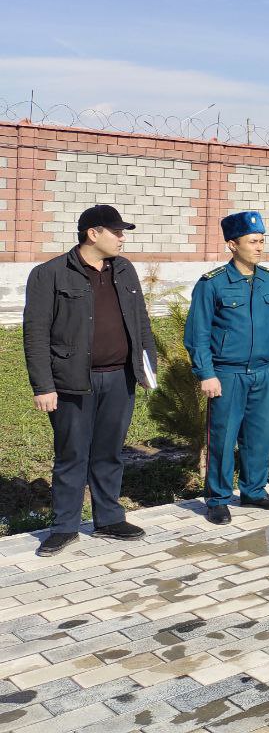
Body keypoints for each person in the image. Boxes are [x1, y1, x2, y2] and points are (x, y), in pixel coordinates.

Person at [24, 205, 157, 557]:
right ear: (93, 233)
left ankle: (109, 519)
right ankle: (64, 527)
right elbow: (35, 334)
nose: (122, 238)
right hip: (72, 382)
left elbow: (140, 321)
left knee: (109, 452)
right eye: (117, 232)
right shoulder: (49, 274)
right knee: (72, 454)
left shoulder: (124, 269)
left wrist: (147, 368)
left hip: (120, 378)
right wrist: (43, 386)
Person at [185, 211, 269, 525]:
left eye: (262, 241)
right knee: (222, 438)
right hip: (227, 374)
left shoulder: (268, 279)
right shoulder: (212, 283)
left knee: (259, 436)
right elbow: (197, 334)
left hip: (263, 372)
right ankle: (218, 499)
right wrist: (206, 373)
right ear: (232, 244)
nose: (259, 247)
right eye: (252, 241)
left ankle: (254, 491)